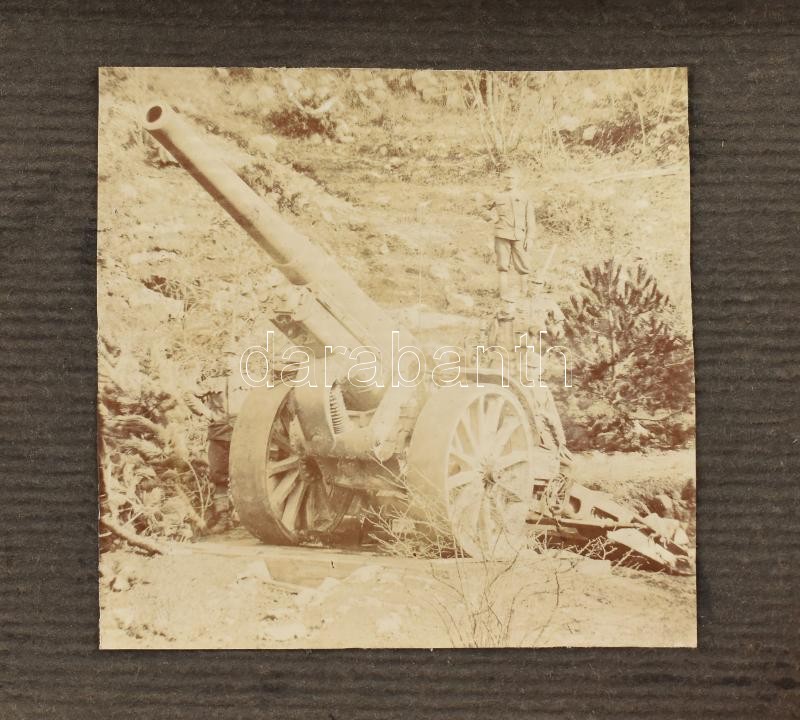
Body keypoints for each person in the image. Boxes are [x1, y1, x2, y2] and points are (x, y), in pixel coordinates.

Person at [477, 165, 539, 320]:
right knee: (502, 266)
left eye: (513, 178)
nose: (510, 181)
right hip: (502, 234)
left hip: (520, 236)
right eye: (507, 178)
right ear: (503, 179)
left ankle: (524, 294)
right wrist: (490, 217)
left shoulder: (525, 197)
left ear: (518, 180)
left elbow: (530, 219)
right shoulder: (497, 196)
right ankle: (503, 295)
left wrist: (530, 238)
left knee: (524, 266)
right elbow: (481, 208)